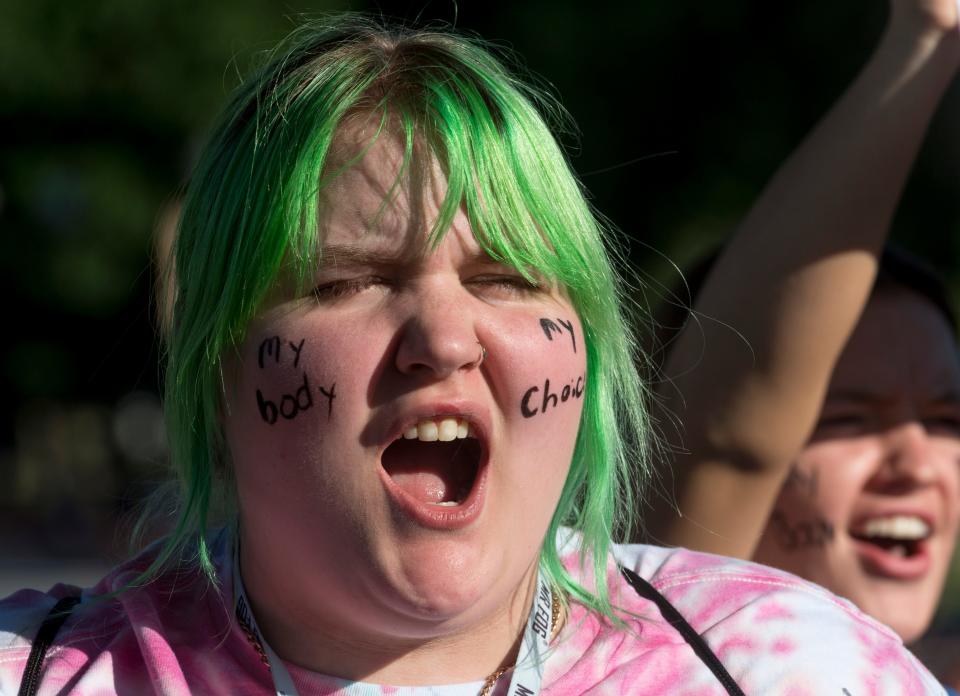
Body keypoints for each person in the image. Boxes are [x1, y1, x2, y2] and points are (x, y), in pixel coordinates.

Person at [0, 14, 946, 696]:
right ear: (220, 371)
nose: (447, 341)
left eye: (507, 280)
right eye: (347, 283)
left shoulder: (787, 668)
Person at [643, 0, 960, 687]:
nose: (916, 464)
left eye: (946, 420)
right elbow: (729, 442)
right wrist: (925, 42)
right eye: (847, 419)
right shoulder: (656, 634)